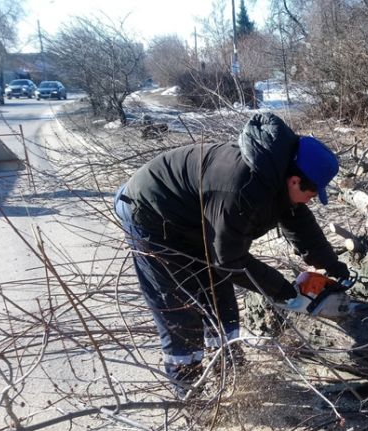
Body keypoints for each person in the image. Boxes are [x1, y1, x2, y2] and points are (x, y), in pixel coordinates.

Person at [114, 113, 349, 399]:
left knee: (219, 297)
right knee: (178, 308)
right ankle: (191, 396)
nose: (312, 199)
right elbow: (229, 261)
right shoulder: (242, 189)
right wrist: (283, 291)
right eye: (312, 194)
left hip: (196, 220)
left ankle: (232, 371)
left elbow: (299, 221)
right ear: (295, 181)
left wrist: (331, 264)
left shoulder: (277, 173)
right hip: (150, 215)